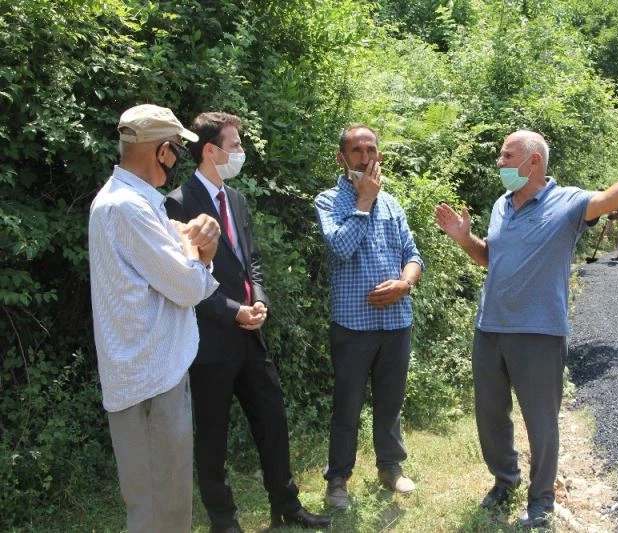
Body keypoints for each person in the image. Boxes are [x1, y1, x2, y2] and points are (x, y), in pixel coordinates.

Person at [435, 130, 618, 528]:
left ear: (534, 161)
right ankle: (505, 481)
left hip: (539, 333)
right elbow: (492, 258)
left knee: (540, 421)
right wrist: (464, 238)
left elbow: (607, 199)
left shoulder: (567, 202)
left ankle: (541, 499)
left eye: (507, 155)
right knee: (490, 415)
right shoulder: (501, 205)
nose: (500, 162)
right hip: (490, 327)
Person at [165, 112, 331, 532]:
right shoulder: (179, 203)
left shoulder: (235, 199)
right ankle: (224, 522)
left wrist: (258, 300)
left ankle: (286, 506)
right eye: (235, 145)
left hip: (250, 335)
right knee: (213, 437)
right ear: (210, 150)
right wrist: (231, 310)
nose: (241, 151)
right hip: (209, 341)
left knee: (272, 419)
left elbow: (249, 260)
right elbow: (182, 278)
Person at [88, 104, 221, 532]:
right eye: (177, 148)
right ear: (162, 151)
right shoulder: (128, 207)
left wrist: (192, 251)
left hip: (152, 375)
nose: (178, 157)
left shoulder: (131, 202)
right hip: (149, 381)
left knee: (166, 501)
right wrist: (203, 251)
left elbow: (175, 271)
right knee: (159, 509)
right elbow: (187, 286)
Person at [314, 125, 424, 509]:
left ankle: (390, 467)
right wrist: (363, 201)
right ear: (341, 158)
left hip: (396, 322)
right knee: (347, 406)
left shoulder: (392, 204)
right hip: (352, 326)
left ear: (380, 155)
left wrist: (405, 284)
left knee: (390, 402)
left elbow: (413, 255)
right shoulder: (329, 201)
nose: (365, 157)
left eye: (371, 149)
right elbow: (341, 248)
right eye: (356, 151)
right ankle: (338, 479)